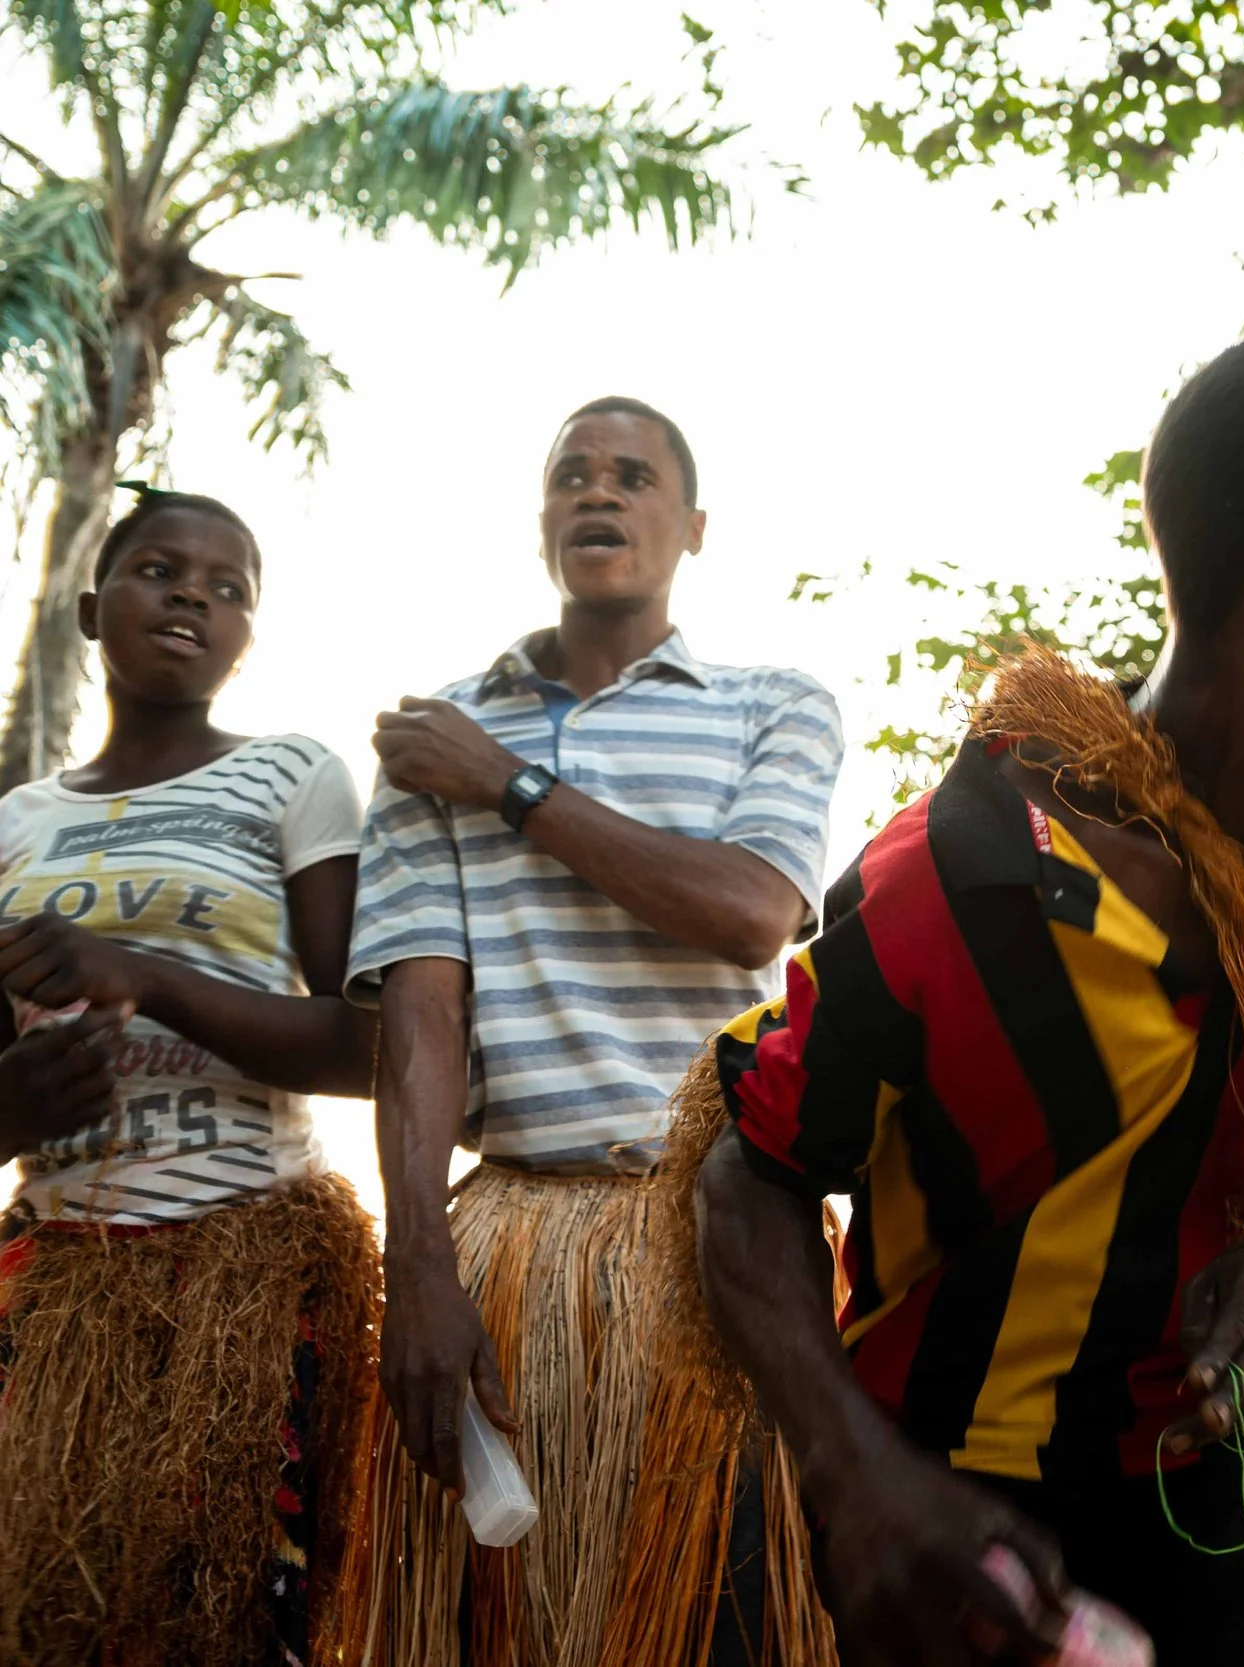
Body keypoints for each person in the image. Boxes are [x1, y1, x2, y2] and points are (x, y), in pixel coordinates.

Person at [683, 326, 1244, 1667]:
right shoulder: (962, 878)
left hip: (1214, 1515)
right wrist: (855, 1478)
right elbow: (750, 1176)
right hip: (956, 1541)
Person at [348, 398, 844, 1664]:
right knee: (490, 1626)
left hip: (720, 1242)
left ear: (690, 525)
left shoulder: (770, 703)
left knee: (735, 1616)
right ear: (542, 522)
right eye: (571, 474)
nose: (598, 493)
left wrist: (509, 785)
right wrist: (417, 1261)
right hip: (513, 1241)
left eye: (632, 475)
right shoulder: (435, 734)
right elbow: (421, 1008)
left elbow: (747, 912)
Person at [0, 487, 381, 1667]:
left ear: (248, 636)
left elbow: (367, 1044)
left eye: (229, 589)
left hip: (246, 1275)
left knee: (238, 1618)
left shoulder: (292, 777)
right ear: (87, 606)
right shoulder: (17, 820)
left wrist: (149, 977)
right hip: (52, 1280)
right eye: (160, 569)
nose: (192, 598)